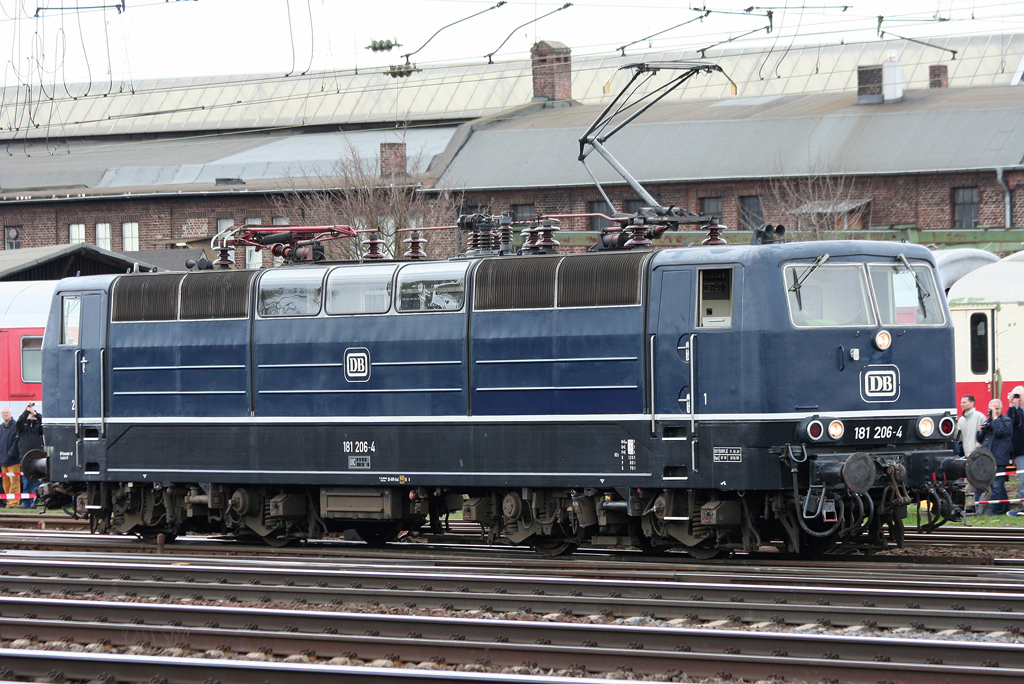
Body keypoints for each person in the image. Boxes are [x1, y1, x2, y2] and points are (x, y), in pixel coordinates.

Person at [978, 398, 1013, 516]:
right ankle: (1004, 508)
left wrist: (995, 418)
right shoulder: (989, 421)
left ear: (1002, 409)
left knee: (997, 486)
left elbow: (999, 432)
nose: (995, 411)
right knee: (994, 486)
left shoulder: (1006, 421)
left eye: (997, 409)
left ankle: (998, 511)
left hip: (999, 459)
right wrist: (980, 432)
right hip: (988, 459)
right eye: (992, 409)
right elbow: (981, 440)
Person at [16, 403, 42, 509]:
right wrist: (27, 410)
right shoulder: (22, 427)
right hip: (25, 456)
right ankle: (26, 504)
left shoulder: (38, 426)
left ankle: (35, 502)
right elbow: (19, 421)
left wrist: (36, 414)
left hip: (37, 456)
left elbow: (43, 422)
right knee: (26, 482)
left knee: (36, 480)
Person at [0, 407, 20, 508]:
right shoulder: (1, 427)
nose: (5, 414)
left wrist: (11, 453)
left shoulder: (15, 426)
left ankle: (14, 502)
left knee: (14, 482)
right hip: (3, 460)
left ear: (11, 413)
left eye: (7, 412)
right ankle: (8, 501)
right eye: (3, 413)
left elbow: (16, 442)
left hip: (13, 460)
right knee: (6, 483)